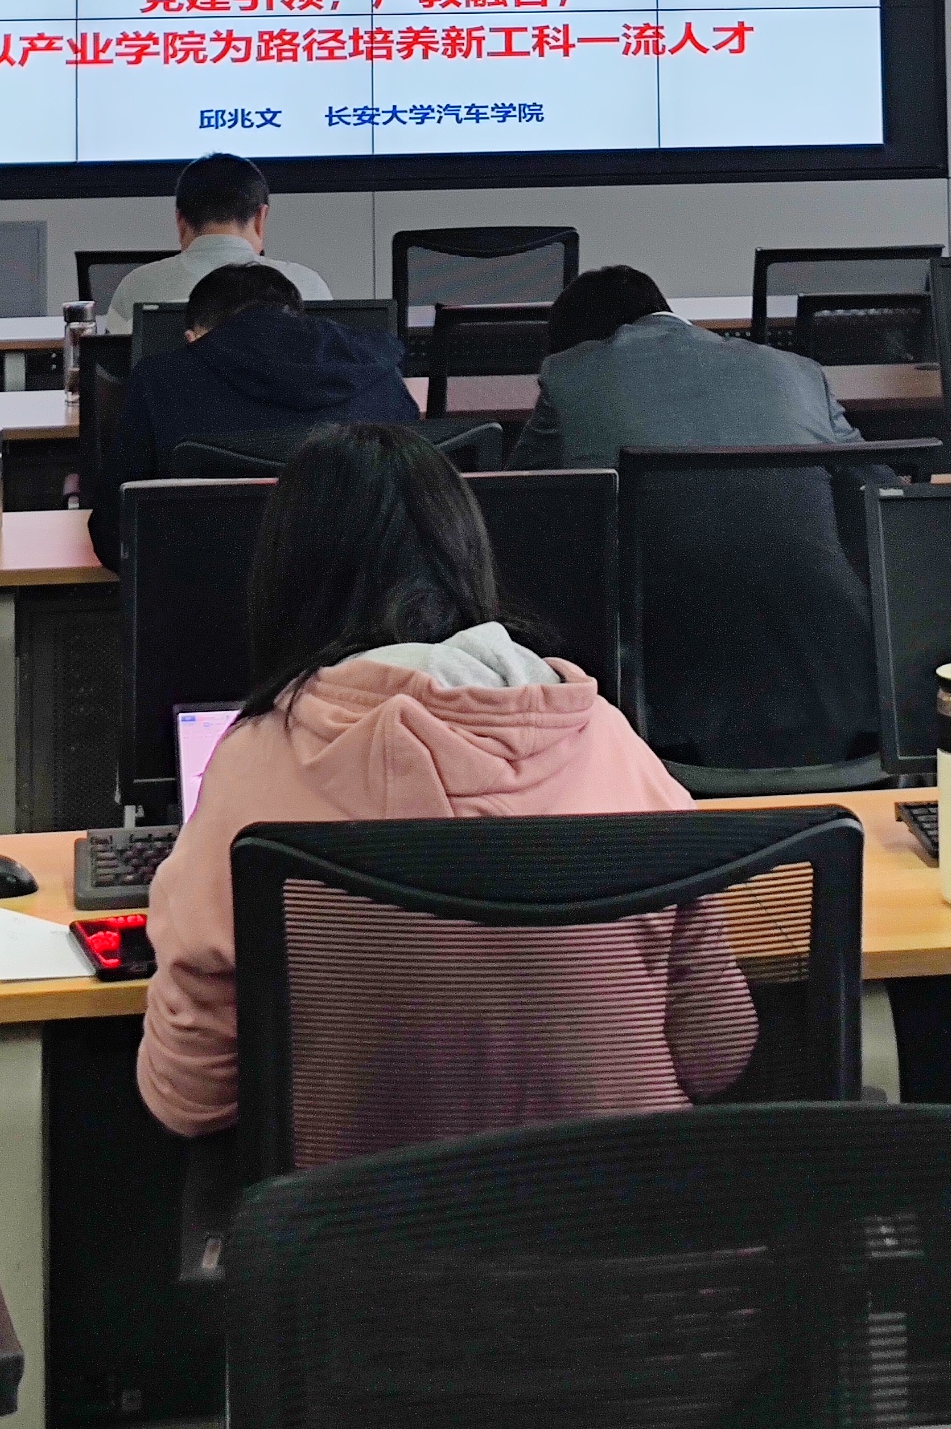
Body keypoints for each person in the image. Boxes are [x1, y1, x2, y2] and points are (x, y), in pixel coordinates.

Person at [135, 424, 749, 1153]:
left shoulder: (252, 767)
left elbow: (191, 1097)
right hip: (617, 1208)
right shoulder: (611, 745)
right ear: (468, 556)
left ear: (287, 582)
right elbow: (717, 1051)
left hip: (357, 1218)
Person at [518, 265, 883, 774]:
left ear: (579, 342)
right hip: (840, 682)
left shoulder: (570, 375)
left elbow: (515, 505)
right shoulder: (797, 372)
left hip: (650, 698)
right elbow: (883, 490)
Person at [87, 261, 416, 573]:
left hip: (209, 600)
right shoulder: (379, 373)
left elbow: (116, 534)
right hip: (369, 600)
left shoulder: (160, 380)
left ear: (194, 337)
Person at [96, 150, 329, 327]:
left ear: (180, 221)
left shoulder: (137, 288)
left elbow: (112, 372)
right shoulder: (307, 287)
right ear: (260, 218)